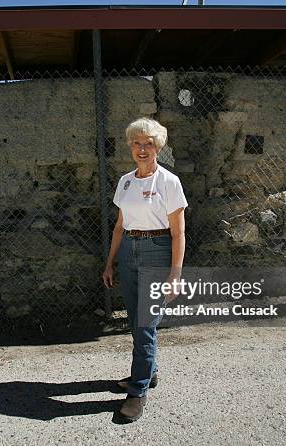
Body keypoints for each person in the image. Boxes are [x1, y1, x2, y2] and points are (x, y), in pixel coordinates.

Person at [102, 117, 188, 422]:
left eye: (148, 143)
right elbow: (119, 226)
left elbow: (178, 233)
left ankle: (137, 391)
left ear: (158, 147)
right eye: (136, 143)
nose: (141, 148)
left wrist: (175, 275)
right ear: (130, 146)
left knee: (145, 325)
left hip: (157, 251)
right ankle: (148, 372)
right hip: (128, 250)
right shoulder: (125, 181)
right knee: (135, 320)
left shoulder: (168, 182)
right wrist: (110, 261)